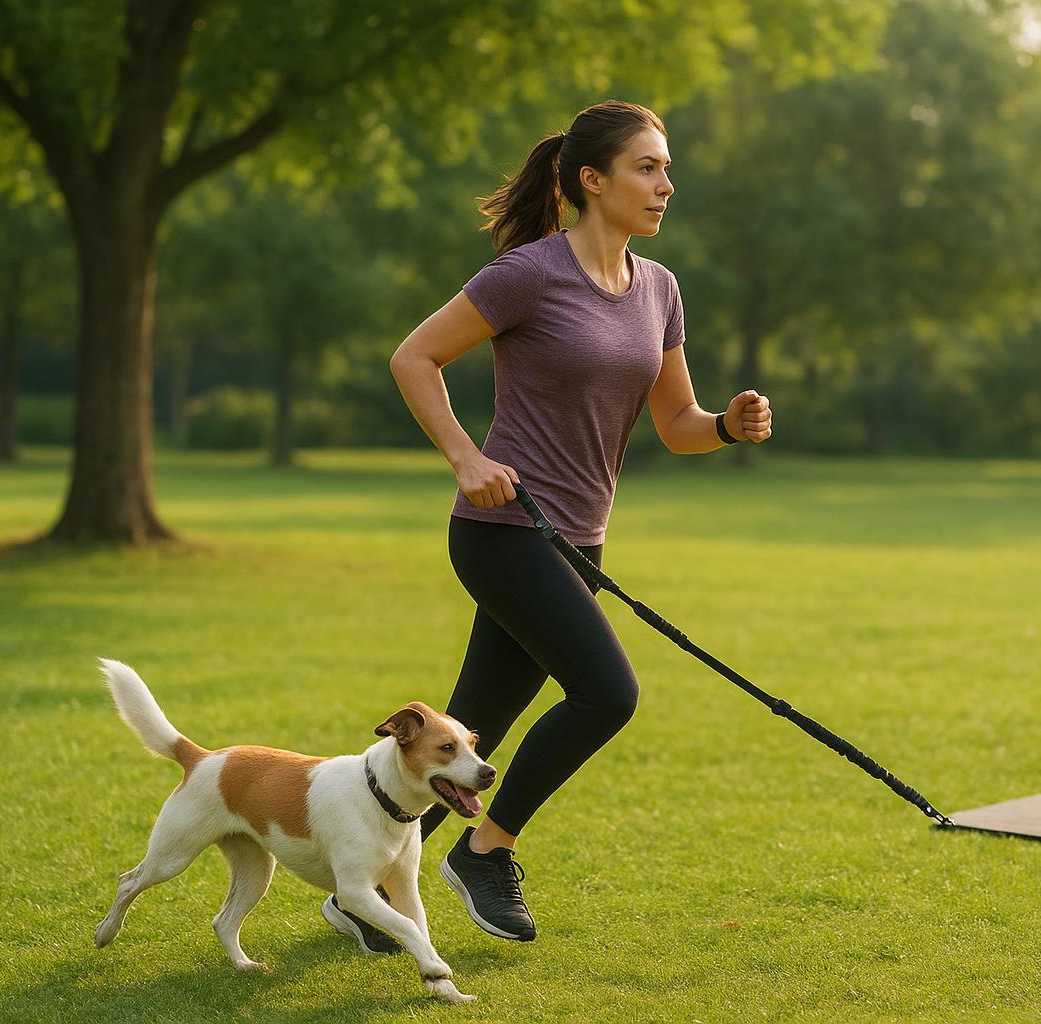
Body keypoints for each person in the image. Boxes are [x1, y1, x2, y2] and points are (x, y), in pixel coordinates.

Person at [326, 100, 773, 952]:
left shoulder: (659, 289)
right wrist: (466, 458)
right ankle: (485, 852)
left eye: (667, 169)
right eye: (648, 168)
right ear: (592, 180)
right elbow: (413, 356)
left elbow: (677, 424)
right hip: (502, 530)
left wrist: (727, 425)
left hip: (578, 542)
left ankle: (366, 895)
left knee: (468, 726)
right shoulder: (529, 274)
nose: (665, 185)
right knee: (609, 694)